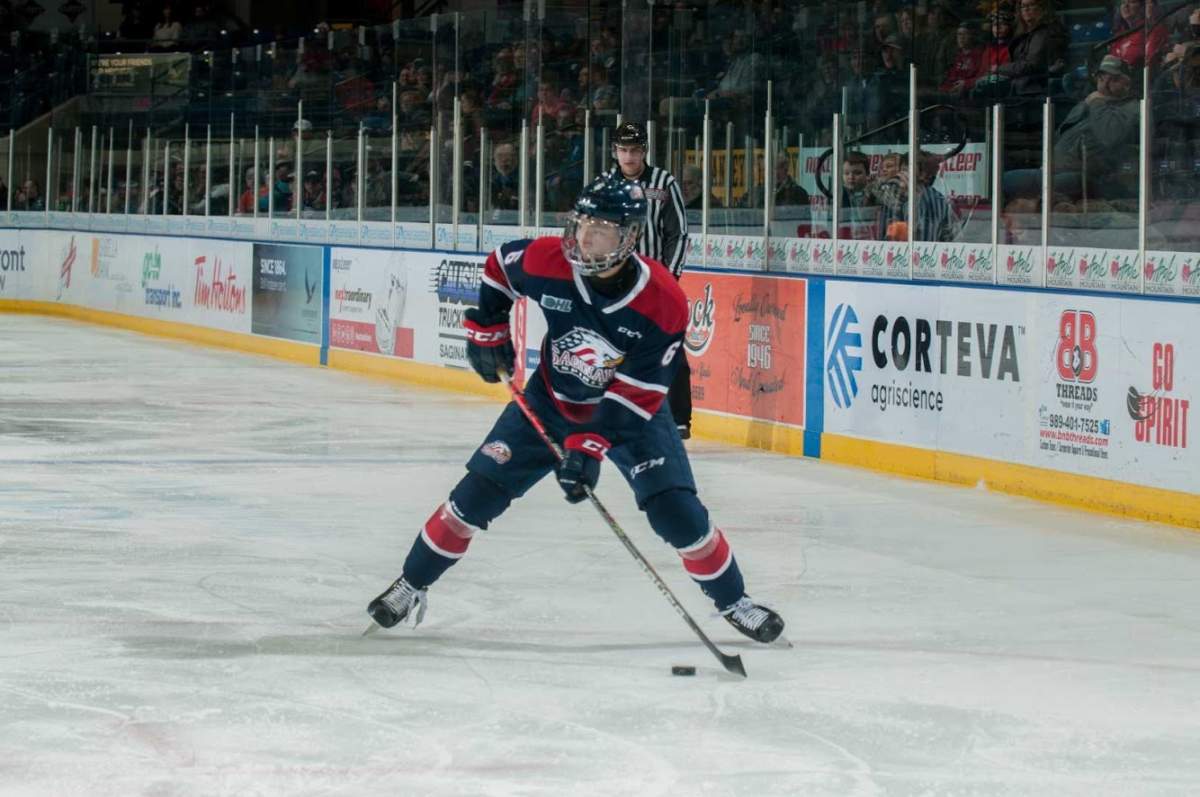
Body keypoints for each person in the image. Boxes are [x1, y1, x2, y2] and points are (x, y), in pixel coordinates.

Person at [366, 174, 785, 645]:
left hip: (630, 413)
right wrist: (487, 327)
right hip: (548, 403)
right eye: (582, 224)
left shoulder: (661, 301)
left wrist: (587, 448)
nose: (585, 238)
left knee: (675, 513)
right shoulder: (550, 261)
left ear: (629, 237)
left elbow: (637, 394)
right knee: (474, 497)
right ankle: (410, 584)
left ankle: (735, 602)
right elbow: (500, 267)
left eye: (600, 229)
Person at [601, 122, 691, 438]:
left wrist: (669, 278)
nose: (629, 156)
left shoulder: (664, 183)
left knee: (670, 348)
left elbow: (679, 233)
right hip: (614, 283)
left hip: (655, 283)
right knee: (607, 347)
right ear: (615, 151)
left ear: (645, 151)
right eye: (623, 150)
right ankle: (605, 409)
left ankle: (679, 419)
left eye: (635, 150)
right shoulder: (604, 185)